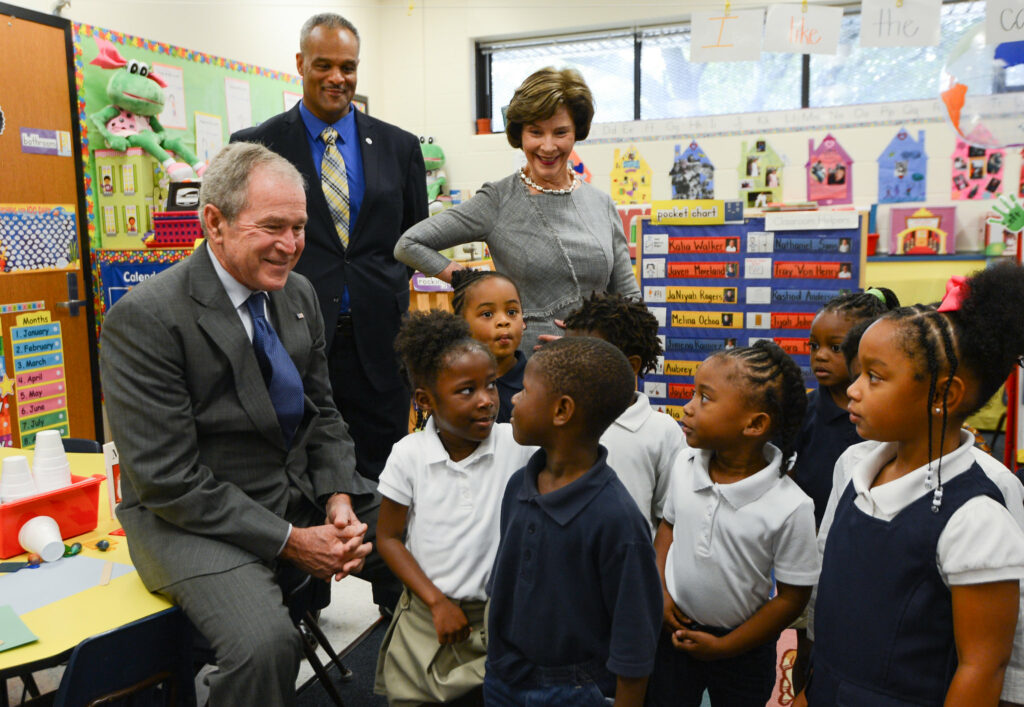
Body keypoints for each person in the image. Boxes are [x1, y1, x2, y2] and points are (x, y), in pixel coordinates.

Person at [100, 142, 377, 706]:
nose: (291, 245)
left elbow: (322, 412)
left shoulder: (297, 295)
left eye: (299, 227)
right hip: (189, 521)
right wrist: (294, 541)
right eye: (272, 226)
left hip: (294, 489)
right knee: (265, 647)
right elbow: (166, 479)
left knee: (422, 542)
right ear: (214, 223)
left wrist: (340, 495)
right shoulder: (148, 317)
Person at [802, 265, 1024, 706]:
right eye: (857, 372)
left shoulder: (977, 516)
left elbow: (984, 665)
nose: (854, 389)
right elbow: (830, 590)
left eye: (874, 376)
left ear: (944, 395)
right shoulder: (853, 469)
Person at [231, 13, 428, 484]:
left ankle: (379, 554)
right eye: (323, 65)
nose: (337, 78)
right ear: (300, 63)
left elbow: (412, 238)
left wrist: (373, 291)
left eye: (348, 66)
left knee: (382, 463)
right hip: (287, 331)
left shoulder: (399, 147)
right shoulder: (256, 146)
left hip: (380, 336)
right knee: (299, 456)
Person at [394, 67, 640, 353]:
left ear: (576, 133)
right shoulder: (498, 200)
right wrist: (474, 283)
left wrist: (601, 342)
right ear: (520, 133)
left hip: (596, 365)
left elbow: (630, 299)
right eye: (536, 132)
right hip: (526, 372)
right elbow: (408, 244)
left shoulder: (601, 204)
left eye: (560, 132)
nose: (548, 146)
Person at [485, 337, 663, 705]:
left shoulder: (618, 519)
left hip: (576, 690)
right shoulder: (519, 484)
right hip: (504, 677)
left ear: (562, 410)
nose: (514, 398)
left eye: (525, 390)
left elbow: (635, 639)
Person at [374, 311, 535, 706]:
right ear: (425, 400)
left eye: (491, 385)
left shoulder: (518, 445)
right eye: (467, 391)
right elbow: (389, 538)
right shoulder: (408, 455)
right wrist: (436, 601)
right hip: (428, 618)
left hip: (501, 623)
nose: (486, 401)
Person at [647, 341, 818, 706]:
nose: (688, 407)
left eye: (705, 398)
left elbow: (792, 597)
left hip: (745, 648)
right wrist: (659, 592)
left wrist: (726, 647)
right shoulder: (684, 464)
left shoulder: (791, 506)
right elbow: (668, 529)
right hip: (674, 632)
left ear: (754, 424)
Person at [789, 287, 899, 694]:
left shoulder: (884, 424)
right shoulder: (805, 410)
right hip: (810, 556)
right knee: (809, 645)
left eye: (835, 348)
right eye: (814, 345)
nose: (820, 356)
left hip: (863, 553)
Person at [564, 292, 685, 533]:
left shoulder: (662, 431)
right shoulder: (558, 420)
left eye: (585, 357)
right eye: (568, 354)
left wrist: (655, 571)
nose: (571, 367)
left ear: (630, 366)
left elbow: (670, 519)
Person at [451, 269, 526, 423]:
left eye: (512, 312)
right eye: (487, 314)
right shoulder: (453, 383)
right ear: (462, 325)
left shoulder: (536, 383)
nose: (503, 321)